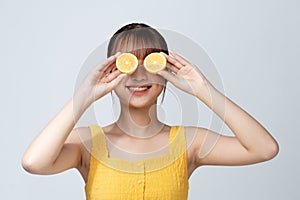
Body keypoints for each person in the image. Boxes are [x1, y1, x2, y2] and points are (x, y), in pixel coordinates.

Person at [22, 23, 279, 199]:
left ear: (165, 73)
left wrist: (202, 89)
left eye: (150, 61)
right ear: (110, 71)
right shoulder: (88, 143)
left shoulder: (189, 143)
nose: (139, 73)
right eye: (128, 62)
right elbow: (34, 163)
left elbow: (264, 148)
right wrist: (84, 97)